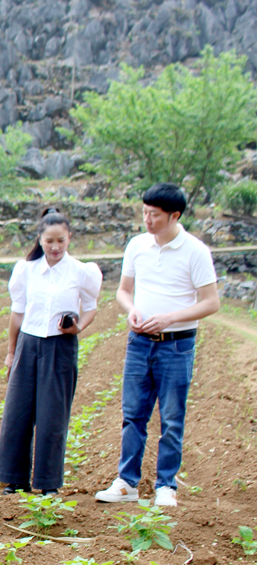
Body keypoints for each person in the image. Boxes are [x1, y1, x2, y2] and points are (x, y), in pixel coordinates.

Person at [96, 183, 219, 508]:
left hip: (177, 345)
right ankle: (127, 482)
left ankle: (166, 485)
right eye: (145, 213)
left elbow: (211, 303)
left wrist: (170, 318)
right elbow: (123, 291)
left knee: (172, 417)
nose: (147, 220)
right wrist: (131, 309)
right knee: (133, 414)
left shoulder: (195, 251)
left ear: (174, 215)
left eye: (154, 215)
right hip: (139, 342)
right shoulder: (137, 246)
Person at [0, 210, 102, 495]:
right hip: (28, 344)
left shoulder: (81, 271)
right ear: (40, 239)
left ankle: (48, 484)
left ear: (69, 239)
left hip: (60, 345)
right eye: (49, 241)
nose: (55, 247)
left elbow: (90, 307)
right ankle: (14, 480)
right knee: (17, 412)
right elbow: (17, 314)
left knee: (53, 417)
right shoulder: (26, 270)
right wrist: (10, 352)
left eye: (61, 241)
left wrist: (78, 328)